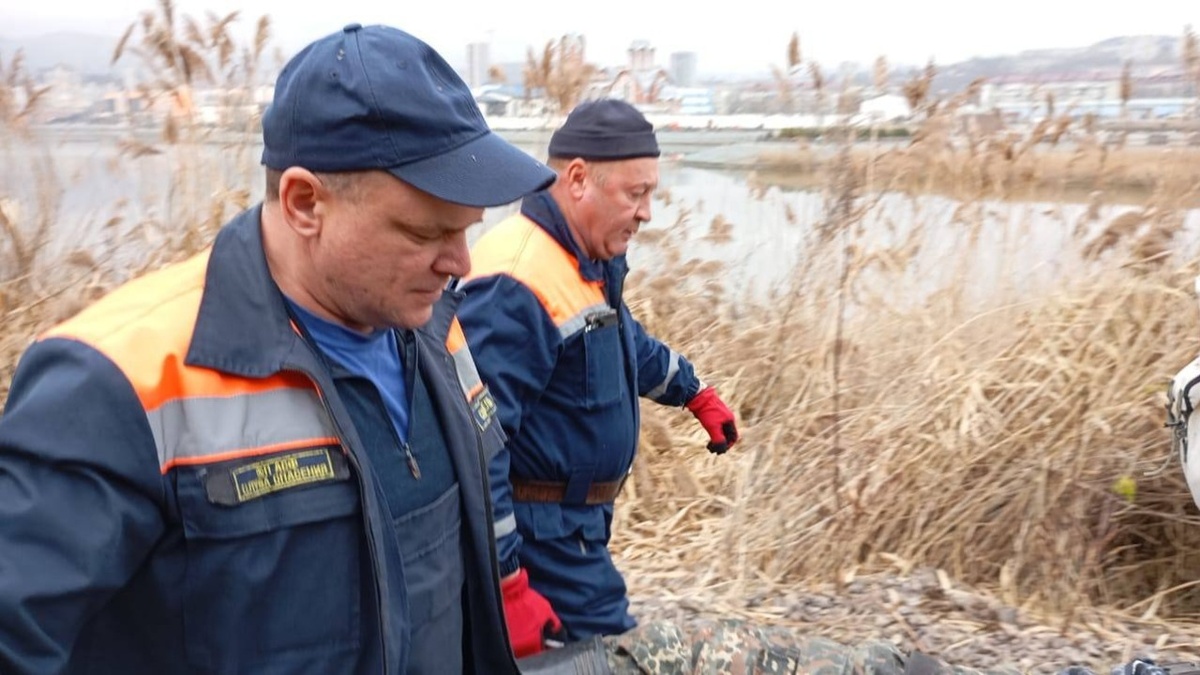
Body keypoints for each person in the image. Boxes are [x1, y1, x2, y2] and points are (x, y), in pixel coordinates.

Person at [0, 23, 556, 674]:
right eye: (424, 231)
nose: (459, 261)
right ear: (302, 202)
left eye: (467, 229)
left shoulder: (434, 326)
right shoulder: (121, 380)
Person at [454, 99, 741, 653]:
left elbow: (622, 344)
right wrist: (508, 583)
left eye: (651, 193)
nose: (648, 212)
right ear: (579, 179)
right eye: (636, 193)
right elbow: (475, 440)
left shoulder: (581, 260)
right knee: (603, 654)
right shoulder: (518, 280)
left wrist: (695, 393)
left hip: (576, 530)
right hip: (541, 540)